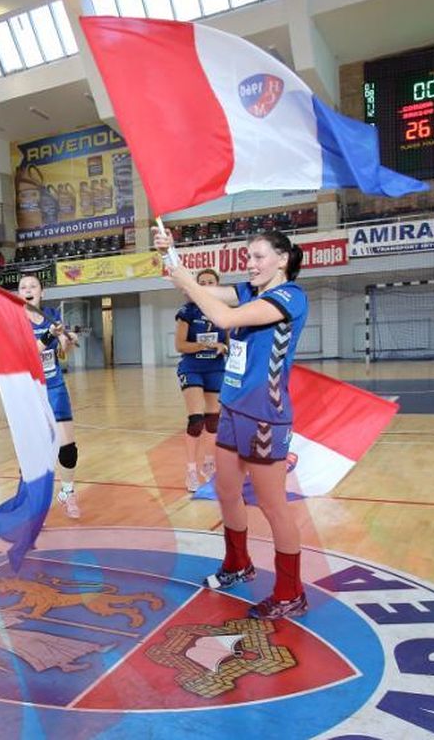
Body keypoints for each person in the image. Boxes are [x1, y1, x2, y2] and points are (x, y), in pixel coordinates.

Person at [155, 227, 309, 620]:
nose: (250, 264)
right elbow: (200, 292)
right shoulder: (249, 291)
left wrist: (188, 281)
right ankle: (238, 564)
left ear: (282, 259)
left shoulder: (290, 297)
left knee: (273, 506)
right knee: (226, 491)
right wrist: (171, 255)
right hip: (233, 408)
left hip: (264, 414)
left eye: (258, 257)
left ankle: (291, 592)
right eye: (248, 257)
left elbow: (222, 315)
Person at [17, 274, 81, 518]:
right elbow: (27, 354)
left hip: (54, 387)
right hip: (29, 391)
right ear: (19, 294)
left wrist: (69, 340)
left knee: (68, 448)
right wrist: (49, 336)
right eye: (23, 287)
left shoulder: (52, 315)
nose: (28, 289)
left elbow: (63, 351)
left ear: (41, 292)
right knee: (34, 452)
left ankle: (68, 492)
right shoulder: (17, 321)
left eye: (33, 286)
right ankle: (33, 502)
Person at [175, 269, 228, 492]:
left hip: (215, 367)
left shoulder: (223, 311)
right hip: (192, 368)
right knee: (196, 421)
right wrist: (204, 345)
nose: (206, 285)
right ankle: (191, 471)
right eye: (202, 282)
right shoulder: (187, 311)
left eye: (210, 282)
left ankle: (209, 464)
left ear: (217, 285)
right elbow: (180, 345)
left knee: (213, 421)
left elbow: (228, 344)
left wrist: (223, 347)